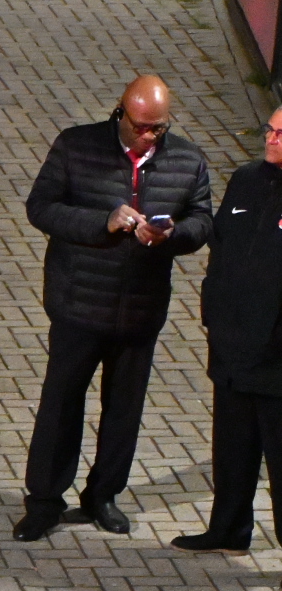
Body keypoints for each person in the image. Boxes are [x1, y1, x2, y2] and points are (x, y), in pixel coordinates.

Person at [15, 75, 212, 542]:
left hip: (141, 309)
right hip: (78, 303)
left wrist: (172, 236)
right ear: (120, 113)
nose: (150, 136)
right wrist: (101, 223)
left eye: (158, 128)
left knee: (124, 409)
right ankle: (43, 500)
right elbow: (41, 208)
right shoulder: (76, 147)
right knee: (61, 404)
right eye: (142, 126)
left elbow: (202, 220)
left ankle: (103, 495)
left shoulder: (187, 160)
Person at [171, 108, 282, 555]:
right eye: (270, 129)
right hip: (232, 346)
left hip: (277, 358)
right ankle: (228, 529)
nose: (271, 138)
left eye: (281, 134)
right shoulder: (246, 179)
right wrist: (214, 310)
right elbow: (221, 246)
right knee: (232, 451)